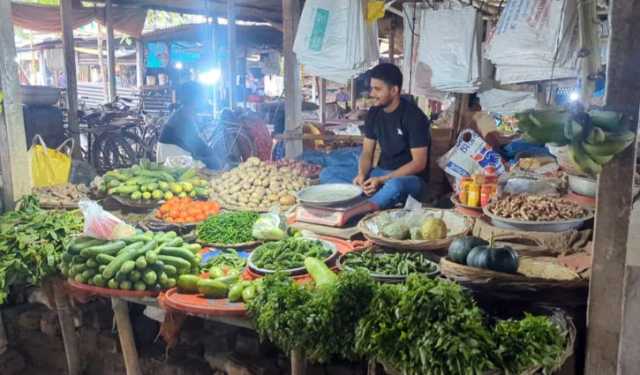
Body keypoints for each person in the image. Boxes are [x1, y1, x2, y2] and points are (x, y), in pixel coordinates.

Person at [321, 63, 431, 210]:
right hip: (380, 173)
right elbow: (367, 152)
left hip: (409, 180)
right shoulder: (374, 113)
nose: (372, 94)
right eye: (372, 88)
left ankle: (359, 209)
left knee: (395, 186)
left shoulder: (414, 117)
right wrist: (361, 174)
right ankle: (375, 197)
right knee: (328, 173)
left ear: (394, 90)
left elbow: (419, 163)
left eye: (377, 89)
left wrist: (383, 179)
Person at [158, 81, 223, 169]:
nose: (205, 100)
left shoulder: (184, 112)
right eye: (203, 97)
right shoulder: (182, 117)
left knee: (212, 159)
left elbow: (197, 142)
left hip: (178, 153)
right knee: (213, 162)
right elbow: (195, 145)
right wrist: (211, 156)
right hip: (172, 158)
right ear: (195, 99)